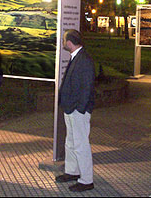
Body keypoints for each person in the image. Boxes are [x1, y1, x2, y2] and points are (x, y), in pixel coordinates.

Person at [56, 29, 96, 192]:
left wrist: (79, 110)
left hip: (78, 110)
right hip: (70, 109)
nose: (63, 43)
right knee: (70, 142)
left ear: (70, 43)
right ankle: (72, 171)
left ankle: (87, 180)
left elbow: (87, 87)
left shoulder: (84, 60)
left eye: (64, 40)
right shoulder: (76, 57)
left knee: (81, 144)